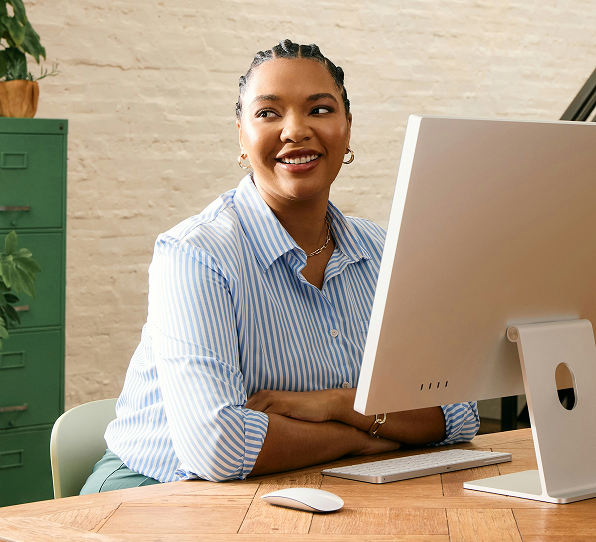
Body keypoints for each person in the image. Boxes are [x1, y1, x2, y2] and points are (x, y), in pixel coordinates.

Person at [81, 39, 479, 493]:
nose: (295, 130)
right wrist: (364, 437)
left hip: (319, 483)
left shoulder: (383, 251)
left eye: (321, 110)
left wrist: (337, 405)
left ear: (347, 129)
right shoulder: (196, 255)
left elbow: (457, 412)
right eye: (268, 113)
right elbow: (217, 447)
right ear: (241, 136)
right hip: (159, 490)